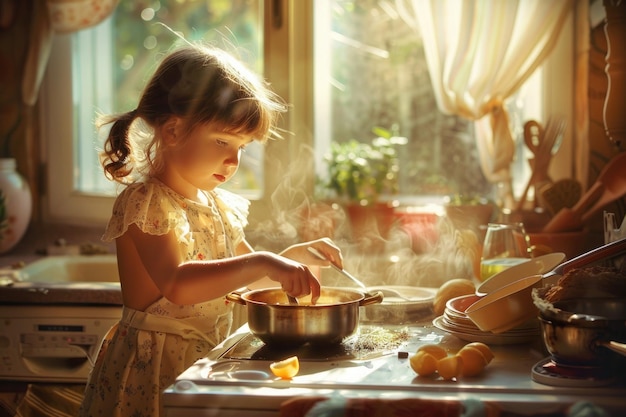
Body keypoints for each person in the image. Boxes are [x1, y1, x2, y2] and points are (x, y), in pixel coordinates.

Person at [78, 43, 343, 417]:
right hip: (153, 369)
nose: (234, 160)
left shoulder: (218, 205)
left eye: (242, 146)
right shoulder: (147, 202)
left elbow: (246, 274)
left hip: (205, 359)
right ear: (172, 130)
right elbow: (177, 284)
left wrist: (289, 259)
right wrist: (265, 261)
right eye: (223, 141)